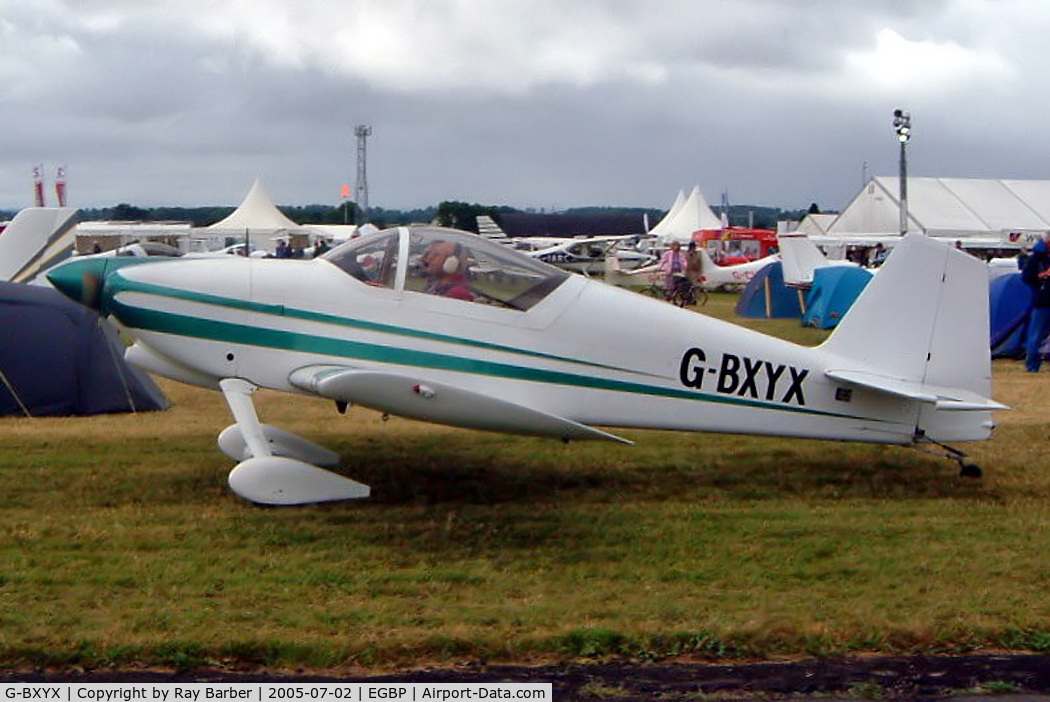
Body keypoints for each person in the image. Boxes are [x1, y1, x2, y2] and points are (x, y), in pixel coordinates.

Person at [1022, 231, 1050, 372]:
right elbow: (1027, 276)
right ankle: (1032, 365)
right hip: (1041, 301)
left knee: (1037, 334)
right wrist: (1043, 275)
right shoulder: (1037, 257)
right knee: (1036, 335)